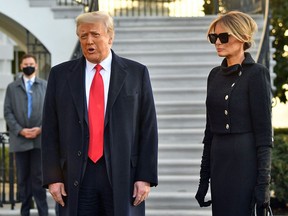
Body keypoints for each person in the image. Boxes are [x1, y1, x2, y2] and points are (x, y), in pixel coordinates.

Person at [41, 11, 158, 216]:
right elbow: (50, 129)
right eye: (83, 36)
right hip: (76, 176)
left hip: (123, 175)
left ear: (110, 37)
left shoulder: (136, 73)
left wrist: (145, 176)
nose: (89, 41)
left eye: (95, 34)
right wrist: (53, 177)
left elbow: (147, 128)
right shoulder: (60, 75)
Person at [195, 11, 272, 216]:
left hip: (245, 163)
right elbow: (209, 133)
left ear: (242, 37)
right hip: (220, 162)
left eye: (223, 37)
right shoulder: (214, 76)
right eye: (214, 38)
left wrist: (263, 185)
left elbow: (265, 135)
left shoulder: (256, 74)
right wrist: (204, 180)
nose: (217, 43)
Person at [4, 54, 48, 216]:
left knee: (39, 179)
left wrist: (41, 128)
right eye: (25, 64)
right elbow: (7, 112)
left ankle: (43, 211)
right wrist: (20, 130)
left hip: (39, 140)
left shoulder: (45, 85)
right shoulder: (12, 87)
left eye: (31, 63)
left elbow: (52, 111)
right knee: (22, 179)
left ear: (36, 66)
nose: (28, 66)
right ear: (21, 66)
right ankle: (25, 211)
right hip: (20, 140)